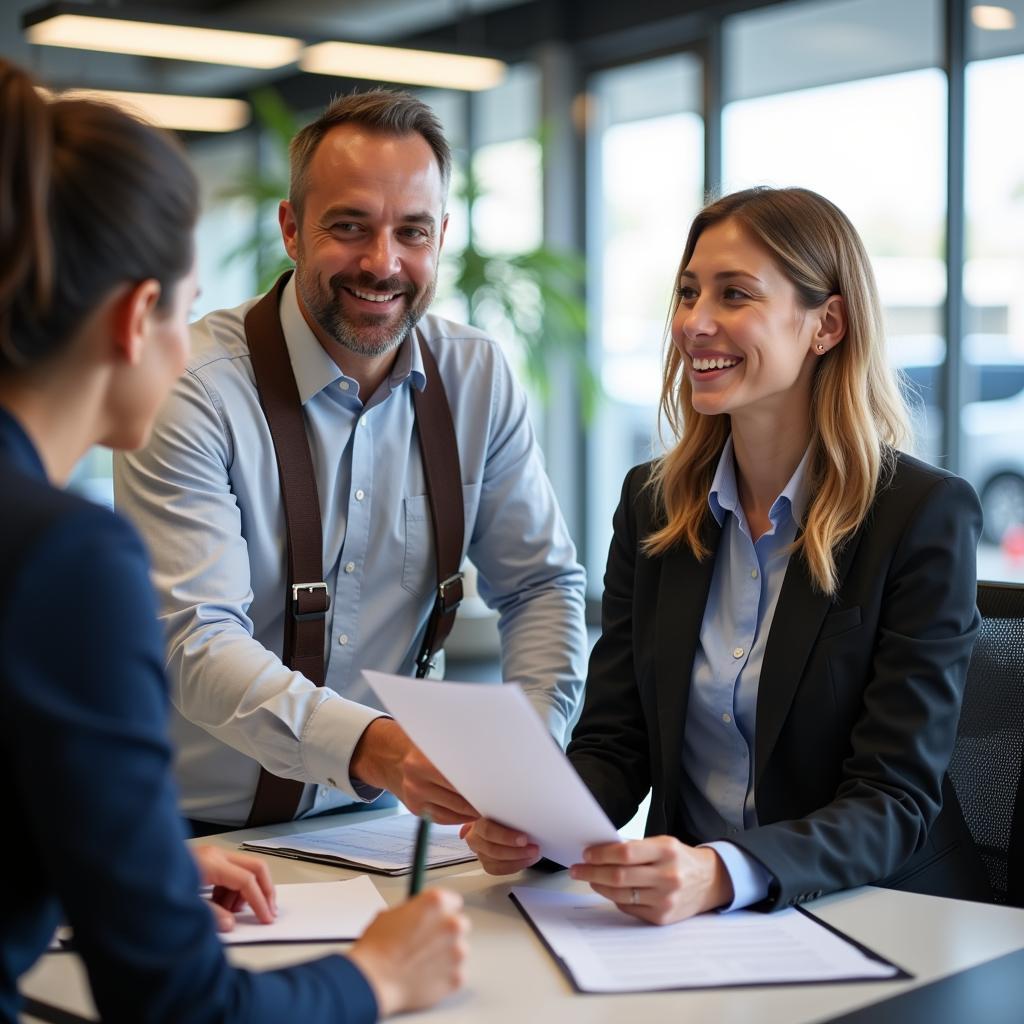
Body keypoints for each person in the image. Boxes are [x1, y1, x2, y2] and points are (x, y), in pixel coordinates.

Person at [0, 58, 467, 1023]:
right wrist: (377, 976)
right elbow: (182, 1009)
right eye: (188, 300)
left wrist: (143, 859)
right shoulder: (63, 560)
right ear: (138, 319)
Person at [462, 186, 991, 923]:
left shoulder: (919, 514)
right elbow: (617, 745)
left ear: (826, 324)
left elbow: (893, 799)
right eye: (687, 294)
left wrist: (722, 872)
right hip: (685, 926)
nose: (694, 324)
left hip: (880, 913)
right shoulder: (654, 503)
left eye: (734, 295)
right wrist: (540, 826)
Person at [113, 88, 588, 833]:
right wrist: (380, 749)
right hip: (194, 840)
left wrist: (524, 763)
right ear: (292, 230)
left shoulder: (477, 379)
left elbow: (541, 586)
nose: (383, 262)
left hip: (382, 834)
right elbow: (196, 639)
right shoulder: (193, 386)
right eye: (350, 227)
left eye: (413, 231)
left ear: (442, 237)